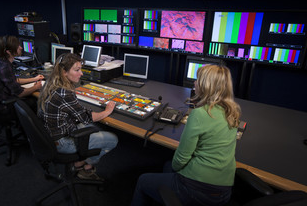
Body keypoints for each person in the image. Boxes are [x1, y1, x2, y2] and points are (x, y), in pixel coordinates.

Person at [131, 64, 242, 206]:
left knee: (143, 180)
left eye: (198, 80)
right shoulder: (233, 112)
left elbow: (180, 160)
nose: (194, 83)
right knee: (167, 166)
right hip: (224, 190)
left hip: (198, 189)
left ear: (206, 85)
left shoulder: (200, 114)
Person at [38, 53, 118, 180]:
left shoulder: (51, 84)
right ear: (64, 72)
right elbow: (87, 118)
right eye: (77, 70)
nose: (81, 73)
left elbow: (75, 111)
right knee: (113, 139)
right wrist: (107, 111)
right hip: (62, 142)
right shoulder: (64, 93)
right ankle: (83, 167)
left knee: (94, 128)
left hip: (50, 136)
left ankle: (80, 162)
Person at [0, 35, 43, 114]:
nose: (21, 48)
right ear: (8, 52)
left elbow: (14, 80)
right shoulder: (4, 68)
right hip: (3, 107)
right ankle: (34, 125)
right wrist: (36, 87)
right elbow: (20, 93)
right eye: (18, 46)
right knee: (35, 101)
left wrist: (34, 79)